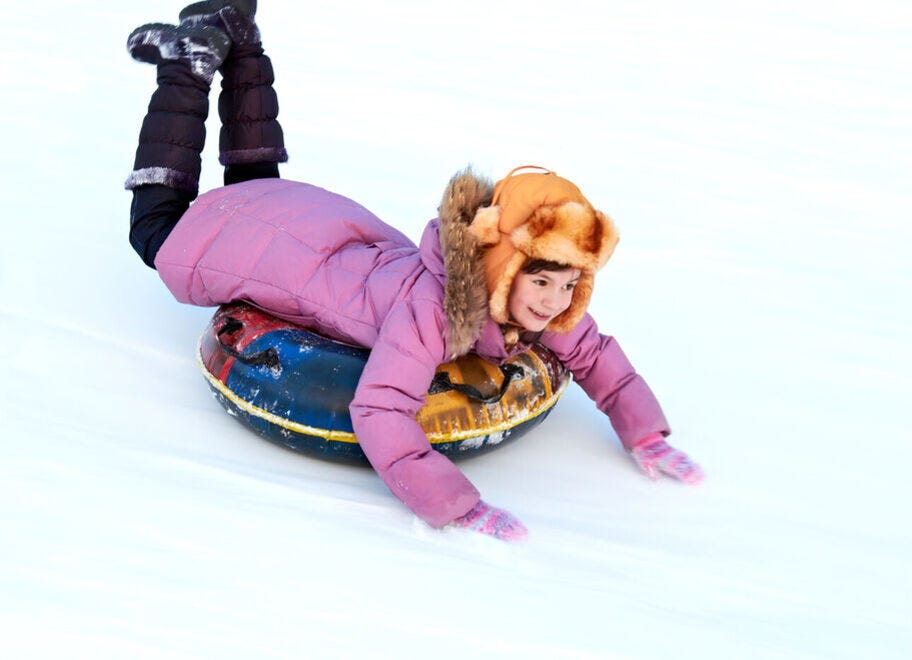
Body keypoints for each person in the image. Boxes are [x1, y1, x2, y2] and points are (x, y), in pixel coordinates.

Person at [125, 1, 704, 542]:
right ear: (504, 266)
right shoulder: (432, 313)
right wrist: (459, 506)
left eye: (570, 285)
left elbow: (597, 353)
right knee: (156, 232)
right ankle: (187, 67)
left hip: (322, 230)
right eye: (543, 282)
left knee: (257, 186)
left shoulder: (534, 297)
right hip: (279, 249)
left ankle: (236, 36)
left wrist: (646, 435)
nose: (555, 303)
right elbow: (378, 409)